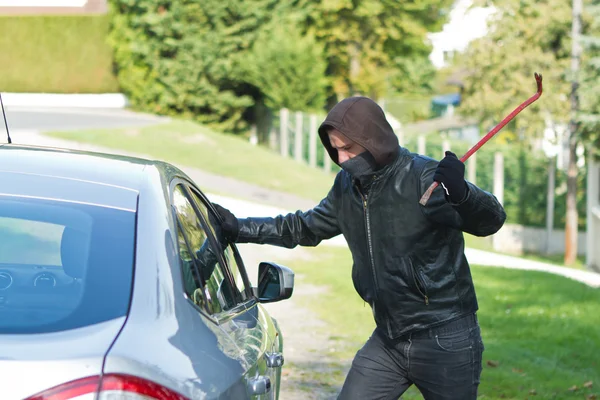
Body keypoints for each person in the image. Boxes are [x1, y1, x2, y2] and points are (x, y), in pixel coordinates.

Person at [212, 96, 506, 400]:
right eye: (335, 149)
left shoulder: (424, 179)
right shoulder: (346, 186)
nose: (341, 159)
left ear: (374, 140)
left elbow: (491, 221)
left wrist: (463, 193)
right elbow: (303, 227)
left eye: (348, 149)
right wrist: (239, 227)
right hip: (389, 338)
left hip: (445, 337)